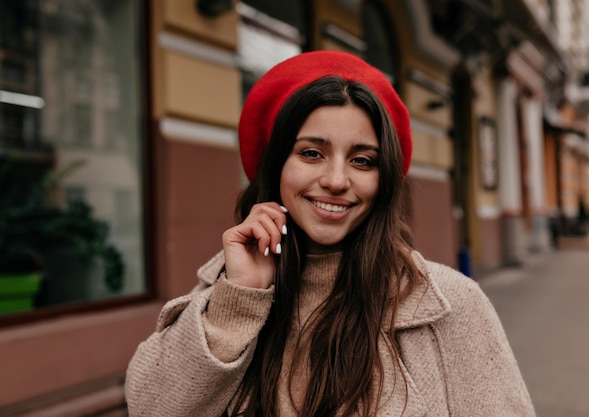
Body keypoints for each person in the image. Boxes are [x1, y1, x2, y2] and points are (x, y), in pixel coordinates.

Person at [125, 51, 535, 417]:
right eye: (311, 153)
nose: (336, 180)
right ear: (276, 166)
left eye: (362, 160)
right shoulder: (227, 289)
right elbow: (149, 408)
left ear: (384, 179)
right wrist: (240, 300)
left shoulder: (452, 304)